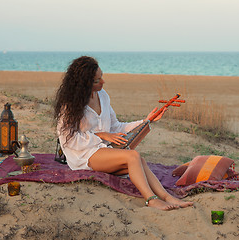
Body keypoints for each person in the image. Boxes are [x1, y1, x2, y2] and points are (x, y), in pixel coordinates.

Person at [54, 56, 193, 210]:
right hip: (83, 155)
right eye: (97, 80)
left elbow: (116, 127)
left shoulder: (103, 96)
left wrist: (146, 121)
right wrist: (100, 135)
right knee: (132, 156)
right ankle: (151, 199)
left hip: (104, 151)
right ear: (84, 84)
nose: (102, 82)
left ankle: (167, 197)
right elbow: (68, 139)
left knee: (139, 161)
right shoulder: (70, 105)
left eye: (102, 77)